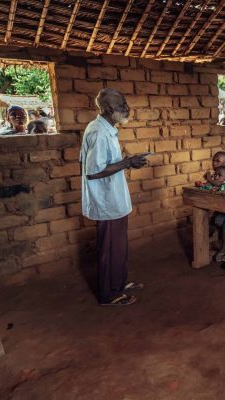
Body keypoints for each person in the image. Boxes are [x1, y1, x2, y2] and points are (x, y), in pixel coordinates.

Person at [80, 88, 147, 306]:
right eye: (121, 105)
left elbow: (106, 163)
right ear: (108, 109)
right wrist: (128, 163)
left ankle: (118, 283)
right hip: (106, 201)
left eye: (125, 103)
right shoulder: (99, 132)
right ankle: (108, 294)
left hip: (113, 198)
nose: (126, 108)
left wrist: (127, 161)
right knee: (109, 248)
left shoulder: (107, 128)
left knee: (117, 246)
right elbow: (93, 171)